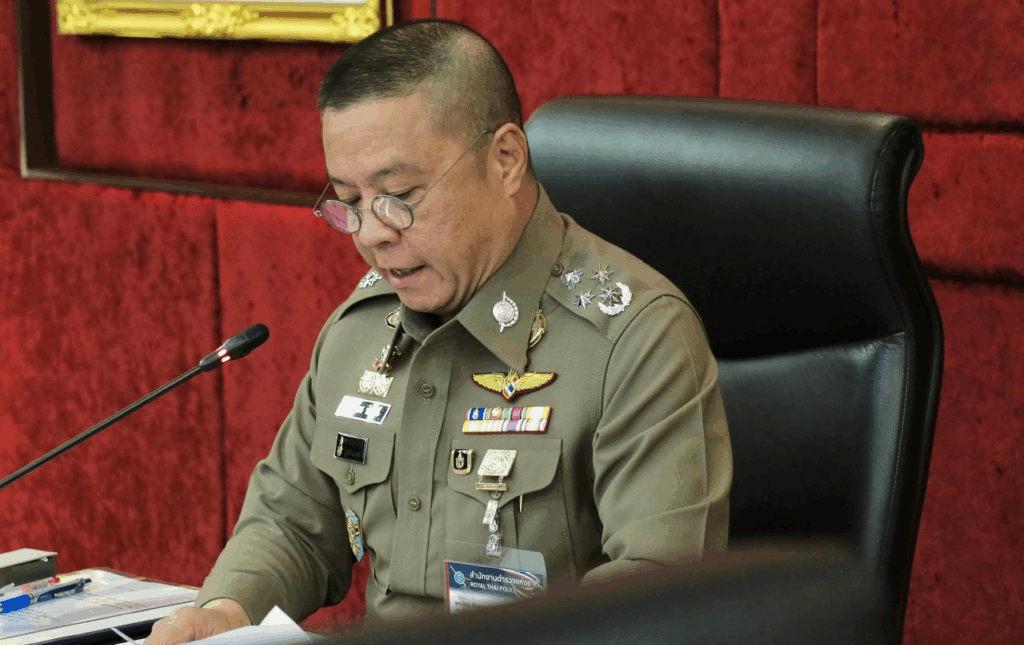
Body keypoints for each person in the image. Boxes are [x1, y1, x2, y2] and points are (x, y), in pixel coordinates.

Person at [147, 19, 731, 644]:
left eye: (399, 194)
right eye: (349, 201)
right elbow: (293, 523)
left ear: (505, 160)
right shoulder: (361, 328)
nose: (373, 233)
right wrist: (225, 614)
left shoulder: (636, 338)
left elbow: (657, 599)